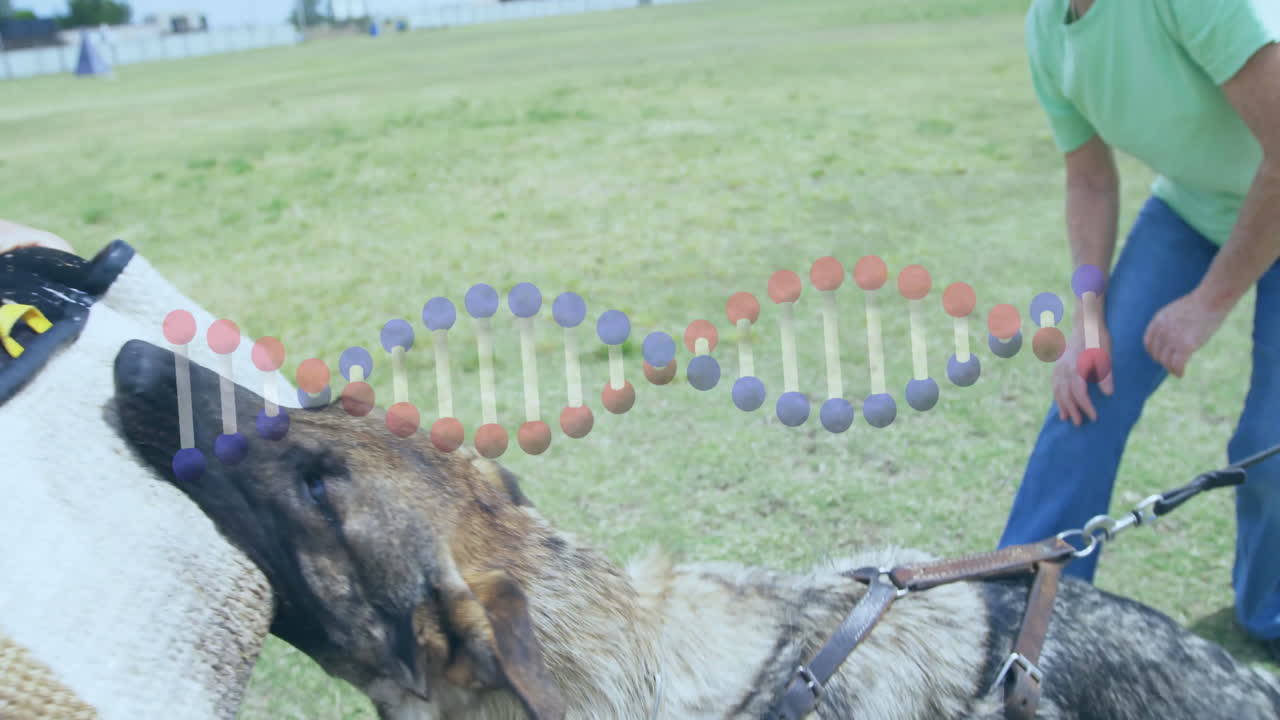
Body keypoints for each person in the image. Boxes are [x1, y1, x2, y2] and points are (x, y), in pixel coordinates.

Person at [998, 0, 1280, 661]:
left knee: (1269, 441)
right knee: (1085, 389)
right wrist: (1089, 319)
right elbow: (1090, 181)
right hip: (1196, 207)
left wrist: (1208, 302)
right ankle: (1022, 616)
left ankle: (1268, 611)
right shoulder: (1048, 26)